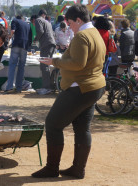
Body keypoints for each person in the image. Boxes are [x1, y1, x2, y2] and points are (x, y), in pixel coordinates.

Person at [31, 4, 106, 179]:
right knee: (82, 128)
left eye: (70, 22)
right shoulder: (95, 33)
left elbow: (78, 63)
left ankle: (52, 168)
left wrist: (55, 62)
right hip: (94, 87)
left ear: (78, 20)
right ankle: (78, 169)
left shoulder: (82, 36)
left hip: (79, 87)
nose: (69, 25)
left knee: (53, 124)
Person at [5, 15, 32, 93]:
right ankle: (19, 87)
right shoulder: (28, 25)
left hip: (16, 44)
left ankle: (9, 87)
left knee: (12, 65)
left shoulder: (14, 20)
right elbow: (30, 39)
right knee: (21, 67)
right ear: (22, 18)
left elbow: (12, 31)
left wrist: (9, 37)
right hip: (25, 46)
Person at [34, 9, 56, 95]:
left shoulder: (38, 20)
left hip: (46, 44)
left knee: (44, 65)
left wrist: (35, 40)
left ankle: (46, 88)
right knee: (47, 65)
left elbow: (40, 31)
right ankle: (49, 86)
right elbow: (53, 34)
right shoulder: (48, 22)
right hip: (51, 44)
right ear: (44, 14)